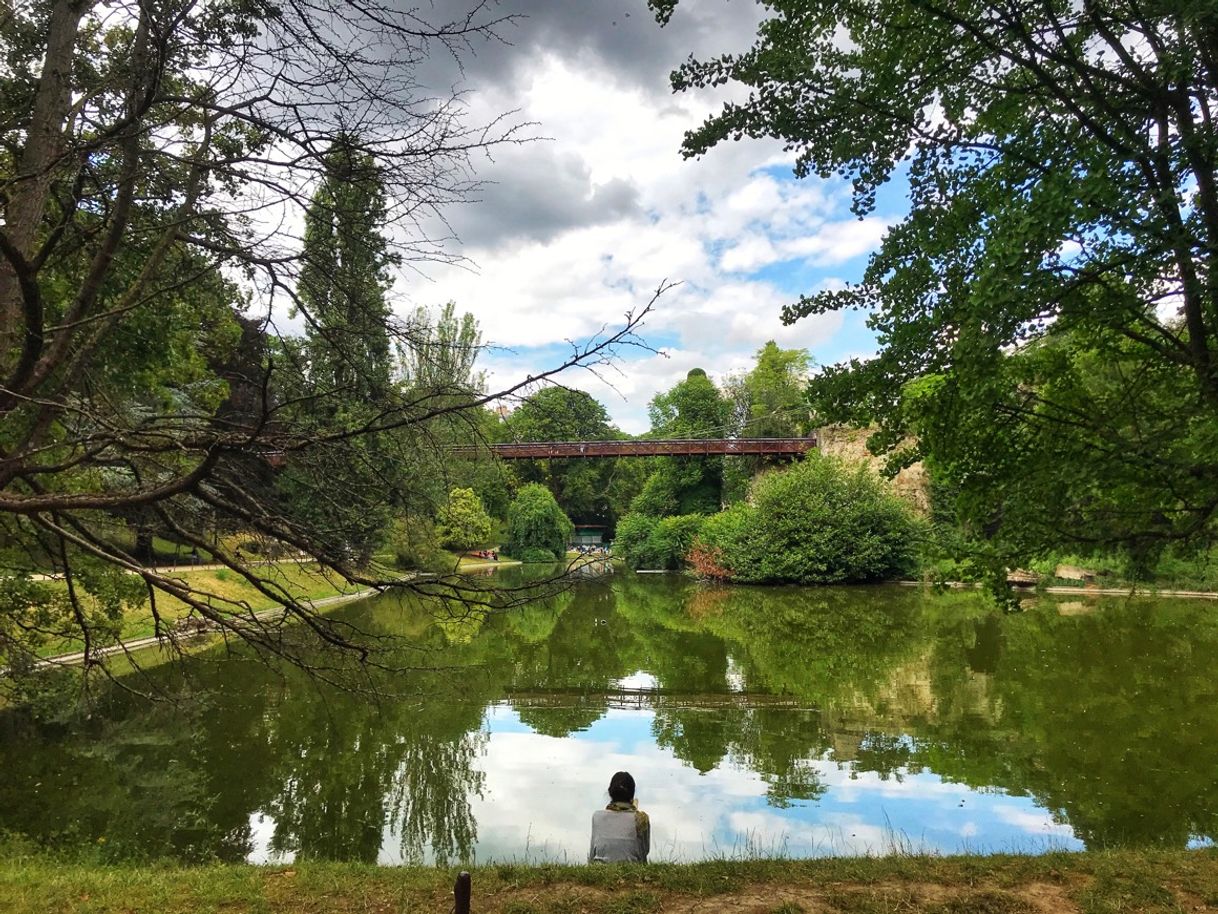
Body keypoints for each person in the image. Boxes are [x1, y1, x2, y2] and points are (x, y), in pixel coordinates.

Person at [588, 771, 649, 863]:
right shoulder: (641, 818)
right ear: (632, 795)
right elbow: (644, 851)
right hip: (632, 873)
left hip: (600, 870)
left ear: (610, 792)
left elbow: (592, 854)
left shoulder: (597, 816)